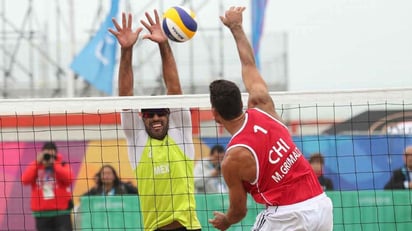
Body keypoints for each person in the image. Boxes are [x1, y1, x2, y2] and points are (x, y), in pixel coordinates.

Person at [208, 6, 333, 231]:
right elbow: (248, 64)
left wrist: (226, 221)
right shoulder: (261, 104)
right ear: (241, 100)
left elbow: (239, 211)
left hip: (287, 215)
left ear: (215, 114)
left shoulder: (233, 159)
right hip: (321, 205)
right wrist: (236, 27)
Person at [109, 10, 201, 231]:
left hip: (189, 227)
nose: (157, 117)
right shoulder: (137, 139)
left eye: (161, 112)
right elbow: (126, 96)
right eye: (150, 114)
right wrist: (126, 50)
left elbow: (174, 89)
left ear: (169, 114)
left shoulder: (181, 133)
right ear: (142, 117)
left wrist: (163, 45)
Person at [21, 141, 74, 231]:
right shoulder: (35, 166)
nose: (49, 158)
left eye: (51, 155)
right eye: (47, 155)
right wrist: (37, 163)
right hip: (42, 214)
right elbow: (25, 180)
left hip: (61, 213)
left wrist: (55, 165)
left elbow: (69, 179)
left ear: (56, 155)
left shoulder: (62, 165)